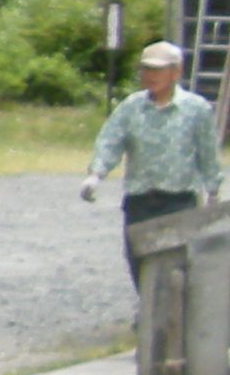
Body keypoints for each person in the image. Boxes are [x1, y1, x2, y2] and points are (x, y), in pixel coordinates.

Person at [87, 41, 221, 264]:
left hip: (179, 201)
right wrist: (95, 175)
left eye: (158, 69)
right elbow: (110, 141)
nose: (150, 75)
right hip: (140, 201)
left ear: (176, 72)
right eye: (146, 69)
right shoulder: (131, 107)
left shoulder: (196, 109)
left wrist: (213, 190)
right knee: (140, 264)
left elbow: (208, 152)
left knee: (176, 265)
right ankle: (147, 300)